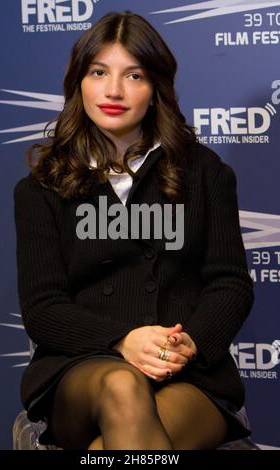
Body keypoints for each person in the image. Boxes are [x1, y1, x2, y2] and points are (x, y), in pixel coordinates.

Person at [13, 11, 254, 450]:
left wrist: (187, 346)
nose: (114, 91)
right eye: (99, 72)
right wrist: (123, 340)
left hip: (189, 374)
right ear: (78, 82)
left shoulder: (204, 173)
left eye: (134, 75)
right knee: (123, 387)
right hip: (81, 370)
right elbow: (43, 307)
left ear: (155, 88)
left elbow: (230, 283)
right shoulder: (42, 186)